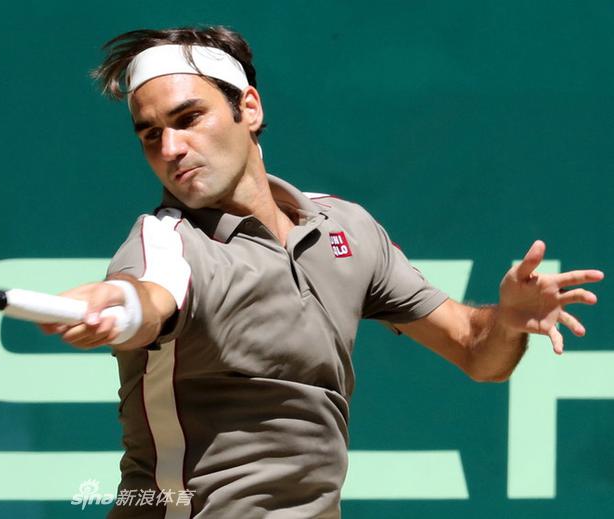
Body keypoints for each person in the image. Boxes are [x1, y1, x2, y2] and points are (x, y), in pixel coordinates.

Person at [41, 26, 604, 518]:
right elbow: (150, 296)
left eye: (189, 119)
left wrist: (507, 320)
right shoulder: (166, 244)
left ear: (249, 108)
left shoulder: (346, 229)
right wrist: (121, 304)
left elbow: (477, 352)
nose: (170, 148)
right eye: (150, 134)